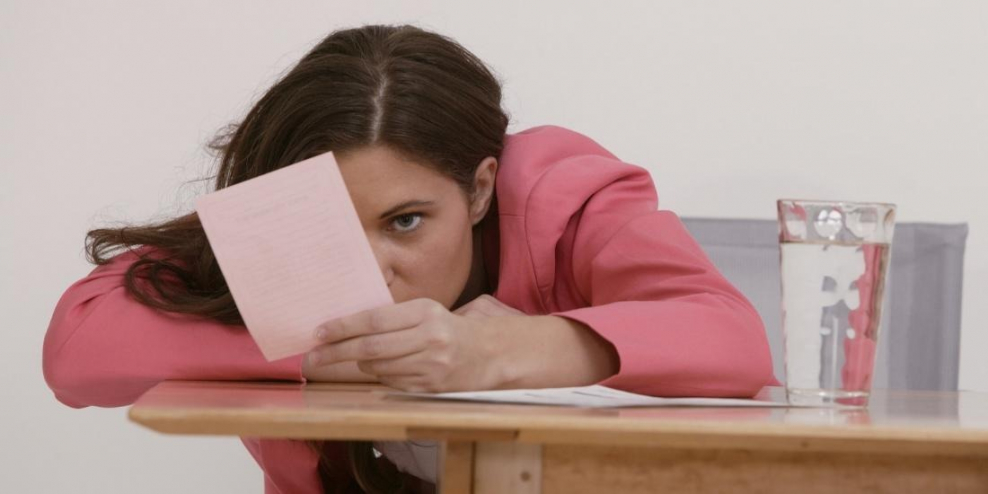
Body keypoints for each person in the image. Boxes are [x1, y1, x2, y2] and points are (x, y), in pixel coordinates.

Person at [42, 24, 776, 494]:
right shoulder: (266, 239)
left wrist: (503, 351)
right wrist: (316, 354)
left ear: (481, 189)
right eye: (329, 224)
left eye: (405, 222)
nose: (370, 270)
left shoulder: (563, 194)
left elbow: (733, 339)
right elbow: (78, 353)